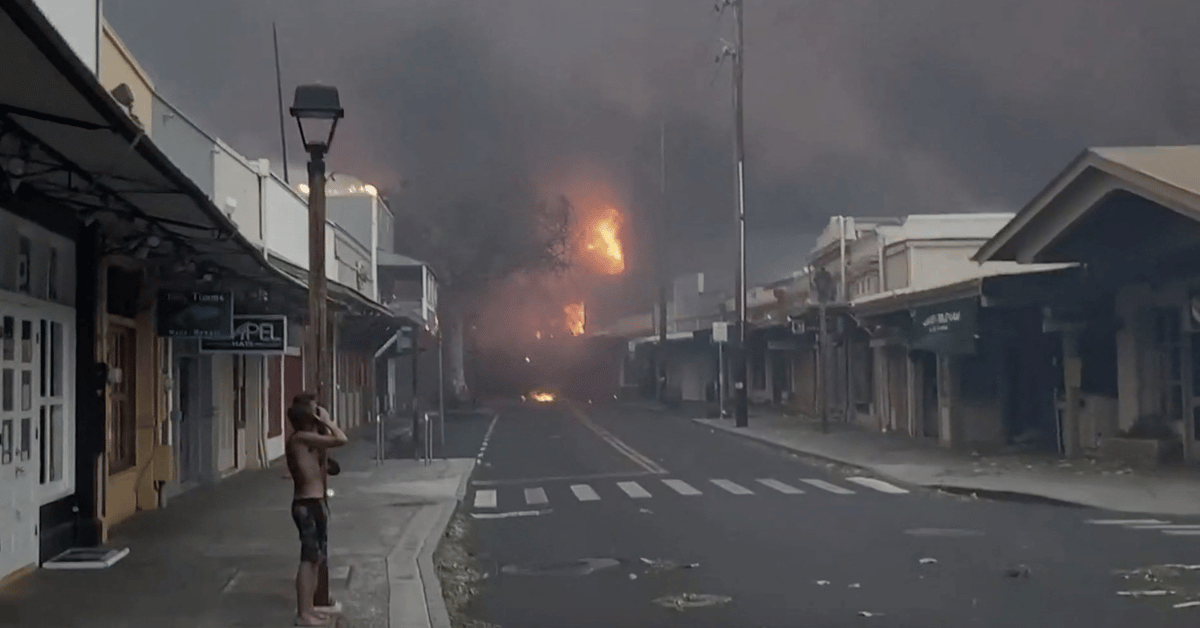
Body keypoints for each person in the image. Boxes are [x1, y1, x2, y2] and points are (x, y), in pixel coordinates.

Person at [286, 393, 348, 626]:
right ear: (311, 416)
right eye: (316, 410)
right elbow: (341, 439)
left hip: (316, 503)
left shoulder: (310, 440)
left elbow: (329, 464)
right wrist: (328, 422)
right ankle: (303, 611)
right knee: (308, 558)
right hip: (306, 505)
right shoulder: (300, 438)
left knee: (316, 558)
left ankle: (310, 607)